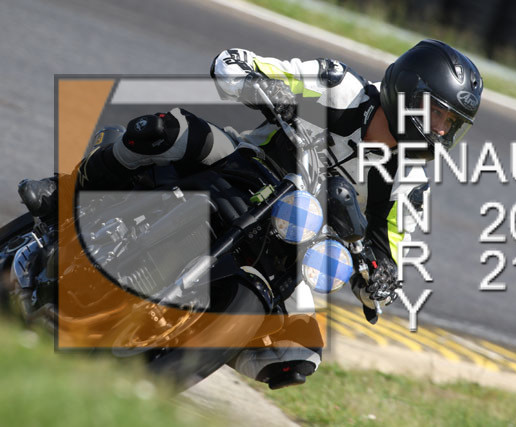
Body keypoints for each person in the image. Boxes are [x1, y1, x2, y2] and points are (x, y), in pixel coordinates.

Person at [23, 39, 483, 389]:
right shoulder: (338, 88)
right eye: (438, 116)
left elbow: (386, 261)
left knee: (298, 356)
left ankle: (172, 355)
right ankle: (66, 194)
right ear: (407, 92)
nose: (441, 132)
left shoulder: (408, 183)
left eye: (451, 125)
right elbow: (232, 62)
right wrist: (264, 88)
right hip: (245, 168)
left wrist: (378, 281)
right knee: (165, 131)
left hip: (294, 242)